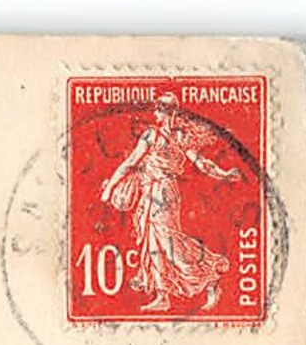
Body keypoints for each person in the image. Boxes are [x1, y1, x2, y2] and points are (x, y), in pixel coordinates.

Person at [98, 94, 243, 314]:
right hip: (149, 192)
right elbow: (131, 163)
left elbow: (200, 163)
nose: (157, 113)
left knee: (168, 242)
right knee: (153, 242)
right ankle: (162, 295)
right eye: (158, 109)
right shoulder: (153, 135)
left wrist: (223, 174)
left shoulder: (178, 138)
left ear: (169, 113)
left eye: (161, 109)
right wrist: (110, 188)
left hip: (164, 192)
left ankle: (210, 275)